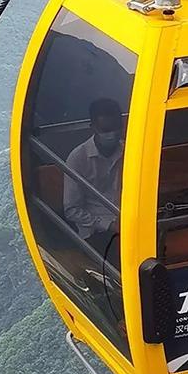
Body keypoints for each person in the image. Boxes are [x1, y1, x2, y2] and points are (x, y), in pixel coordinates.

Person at [63, 98, 124, 263]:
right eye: (105, 129)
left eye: (115, 128)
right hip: (95, 231)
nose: (111, 134)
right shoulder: (78, 158)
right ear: (93, 127)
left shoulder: (128, 151)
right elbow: (71, 210)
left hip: (127, 222)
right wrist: (108, 224)